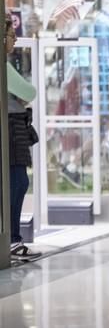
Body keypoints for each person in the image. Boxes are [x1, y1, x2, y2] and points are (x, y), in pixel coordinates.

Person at [6, 15, 41, 261]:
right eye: (11, 35)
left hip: (13, 127)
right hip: (12, 130)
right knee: (17, 182)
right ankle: (12, 239)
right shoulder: (4, 66)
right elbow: (28, 91)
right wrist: (20, 97)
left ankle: (13, 238)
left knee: (17, 183)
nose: (15, 39)